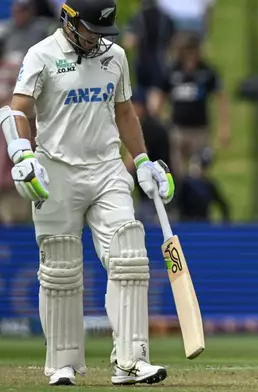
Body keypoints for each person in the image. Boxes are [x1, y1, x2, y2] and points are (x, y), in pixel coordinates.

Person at [0, 0, 173, 386]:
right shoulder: (41, 54)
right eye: (91, 29)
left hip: (107, 168)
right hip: (56, 170)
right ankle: (62, 363)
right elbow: (17, 109)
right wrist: (22, 154)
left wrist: (143, 160)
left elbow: (124, 111)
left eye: (104, 31)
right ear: (69, 20)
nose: (98, 39)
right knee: (61, 268)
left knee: (129, 256)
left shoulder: (115, 56)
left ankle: (131, 361)